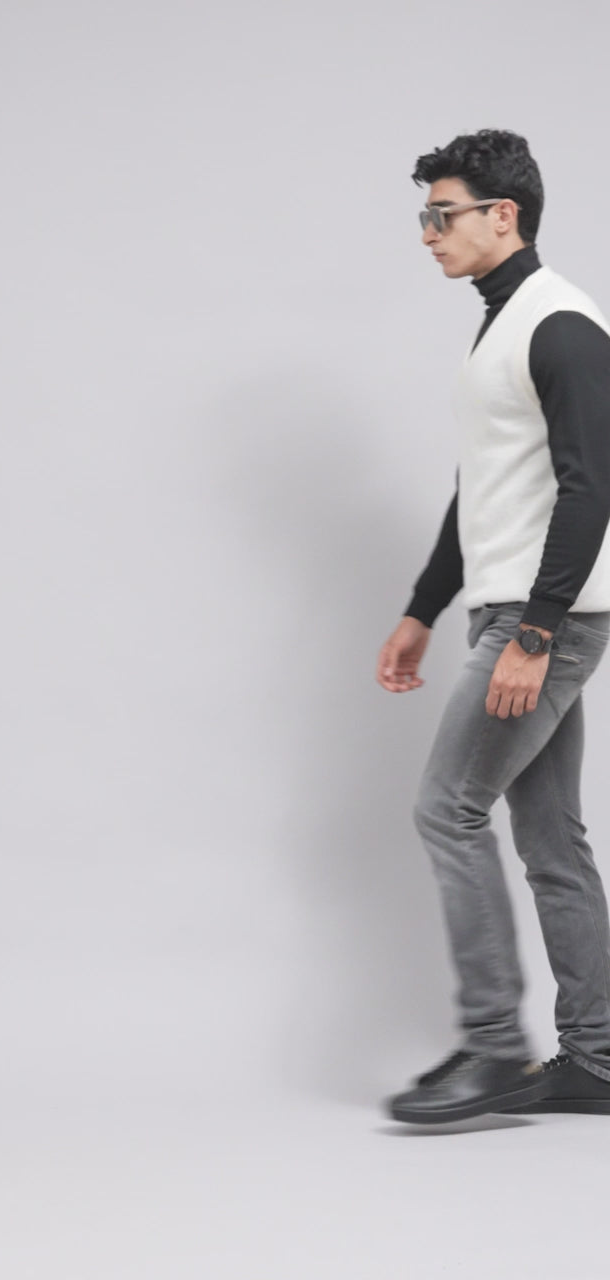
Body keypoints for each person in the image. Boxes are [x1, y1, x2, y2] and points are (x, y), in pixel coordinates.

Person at [377, 129, 610, 1124]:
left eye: (443, 214)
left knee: (448, 810)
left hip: (542, 616)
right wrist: (421, 609)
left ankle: (495, 1046)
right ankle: (599, 1057)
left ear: (501, 215)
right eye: (425, 216)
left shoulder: (562, 326)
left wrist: (534, 633)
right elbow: (481, 489)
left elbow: (594, 486)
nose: (428, 234)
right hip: (511, 608)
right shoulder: (503, 326)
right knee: (552, 839)